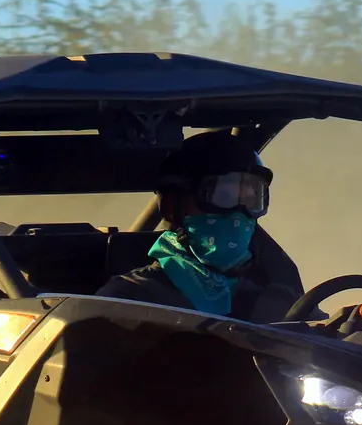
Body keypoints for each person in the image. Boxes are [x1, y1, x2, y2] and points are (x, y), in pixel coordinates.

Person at [98, 131, 302, 322]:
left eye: (251, 198)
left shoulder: (278, 302)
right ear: (172, 207)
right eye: (223, 196)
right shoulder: (127, 300)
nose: (238, 213)